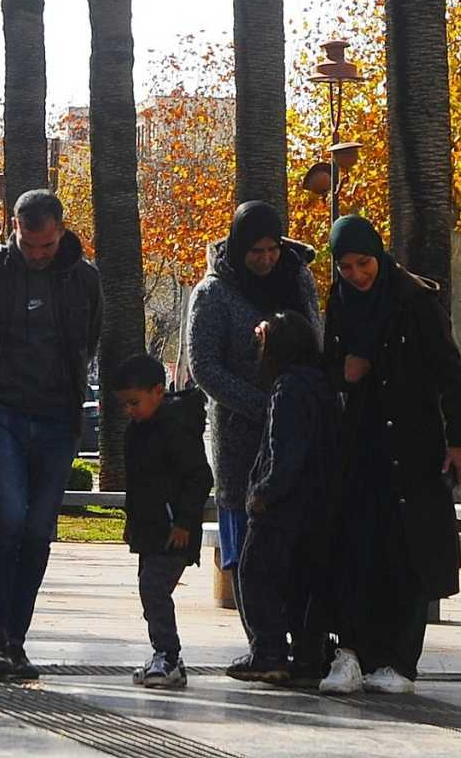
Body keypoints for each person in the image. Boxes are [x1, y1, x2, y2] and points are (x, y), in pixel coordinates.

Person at [323, 215, 461, 696]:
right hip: (358, 444)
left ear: (378, 256)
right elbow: (329, 363)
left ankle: (400, 662)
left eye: (363, 263)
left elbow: (450, 374)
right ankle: (349, 653)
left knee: (406, 553)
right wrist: (343, 372)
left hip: (411, 447)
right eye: (345, 267)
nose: (356, 275)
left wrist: (460, 441)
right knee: (355, 548)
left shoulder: (414, 301)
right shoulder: (341, 300)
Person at [0, 188, 102, 680]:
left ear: (61, 231)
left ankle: (16, 637)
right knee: (9, 514)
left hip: (59, 417)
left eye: (46, 245)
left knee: (39, 528)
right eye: (29, 245)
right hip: (2, 410)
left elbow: (91, 339)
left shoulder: (84, 279)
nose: (38, 255)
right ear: (13, 229)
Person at [185, 201, 320, 626]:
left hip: (297, 432)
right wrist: (263, 407)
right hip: (240, 439)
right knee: (244, 546)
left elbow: (315, 339)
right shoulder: (213, 293)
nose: (265, 260)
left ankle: (299, 642)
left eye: (272, 250)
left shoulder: (297, 278)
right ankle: (262, 644)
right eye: (255, 251)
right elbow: (204, 366)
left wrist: (297, 406)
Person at [227, 311, 341, 689]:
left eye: (262, 341)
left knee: (255, 573)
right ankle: (309, 656)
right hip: (317, 504)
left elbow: (285, 450)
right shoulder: (321, 385)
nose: (257, 349)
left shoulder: (287, 388)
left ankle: (268, 652)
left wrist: (264, 492)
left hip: (283, 506)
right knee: (300, 583)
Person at [110, 352, 212, 691]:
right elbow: (139, 485)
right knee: (151, 592)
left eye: (134, 402)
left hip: (174, 532)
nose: (129, 411)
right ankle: (166, 655)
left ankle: (167, 655)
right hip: (149, 531)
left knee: (153, 588)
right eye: (125, 405)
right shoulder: (136, 431)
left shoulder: (175, 426)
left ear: (158, 391)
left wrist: (184, 521)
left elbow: (199, 476)